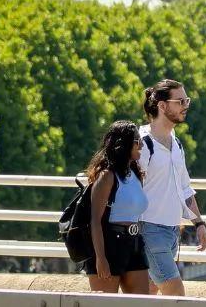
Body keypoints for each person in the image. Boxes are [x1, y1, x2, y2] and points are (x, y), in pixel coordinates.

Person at [137, 79, 206, 296]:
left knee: (147, 294)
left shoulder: (176, 143)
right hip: (149, 230)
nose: (185, 105)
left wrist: (199, 223)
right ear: (162, 105)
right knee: (176, 294)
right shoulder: (143, 143)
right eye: (180, 101)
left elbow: (185, 189)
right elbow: (130, 189)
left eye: (186, 100)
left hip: (171, 231)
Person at [81, 121, 152, 294]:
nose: (141, 144)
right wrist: (100, 258)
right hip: (109, 243)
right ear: (123, 143)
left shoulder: (135, 173)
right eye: (137, 140)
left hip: (135, 243)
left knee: (143, 303)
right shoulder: (106, 176)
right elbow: (94, 221)